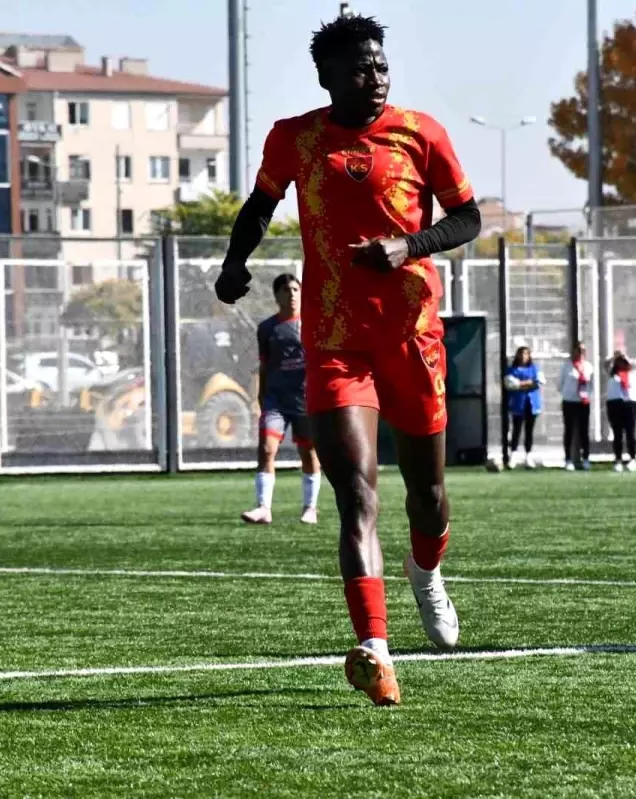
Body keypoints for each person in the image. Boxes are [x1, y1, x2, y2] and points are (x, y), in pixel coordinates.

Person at [212, 13, 481, 705]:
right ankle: (375, 647)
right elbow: (259, 203)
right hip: (334, 345)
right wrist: (235, 263)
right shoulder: (294, 138)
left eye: (382, 64)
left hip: (413, 337)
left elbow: (468, 217)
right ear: (327, 76)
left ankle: (427, 575)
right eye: (361, 66)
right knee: (356, 495)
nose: (377, 74)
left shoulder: (421, 133)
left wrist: (410, 246)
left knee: (428, 494)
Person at [242, 274, 322, 526]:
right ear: (276, 295)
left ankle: (310, 507)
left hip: (305, 399)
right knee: (267, 449)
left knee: (308, 452)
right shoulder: (267, 328)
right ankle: (263, 508)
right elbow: (264, 366)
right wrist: (261, 396)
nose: (293, 294)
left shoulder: (312, 323)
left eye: (296, 289)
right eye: (287, 290)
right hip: (276, 399)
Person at [505, 346, 545, 469]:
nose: (523, 356)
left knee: (529, 430)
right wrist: (528, 383)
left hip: (532, 404)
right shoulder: (512, 369)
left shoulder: (534, 368)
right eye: (521, 354)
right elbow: (510, 384)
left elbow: (540, 380)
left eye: (526, 354)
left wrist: (521, 384)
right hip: (518, 403)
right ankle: (513, 456)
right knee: (516, 430)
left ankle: (528, 456)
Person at [604, 351, 636, 472]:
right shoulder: (613, 374)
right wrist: (615, 356)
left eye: (624, 361)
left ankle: (632, 459)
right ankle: (618, 460)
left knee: (630, 433)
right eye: (620, 362)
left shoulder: (635, 373)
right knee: (617, 433)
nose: (622, 363)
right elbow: (605, 364)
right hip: (614, 404)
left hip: (629, 404)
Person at [558, 341, 593, 471]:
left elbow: (592, 385)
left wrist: (585, 395)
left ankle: (586, 459)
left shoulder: (589, 366)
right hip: (569, 402)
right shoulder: (566, 366)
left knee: (584, 431)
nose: (580, 353)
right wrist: (570, 393)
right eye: (578, 350)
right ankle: (568, 459)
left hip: (583, 402)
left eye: (583, 350)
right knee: (569, 430)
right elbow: (559, 384)